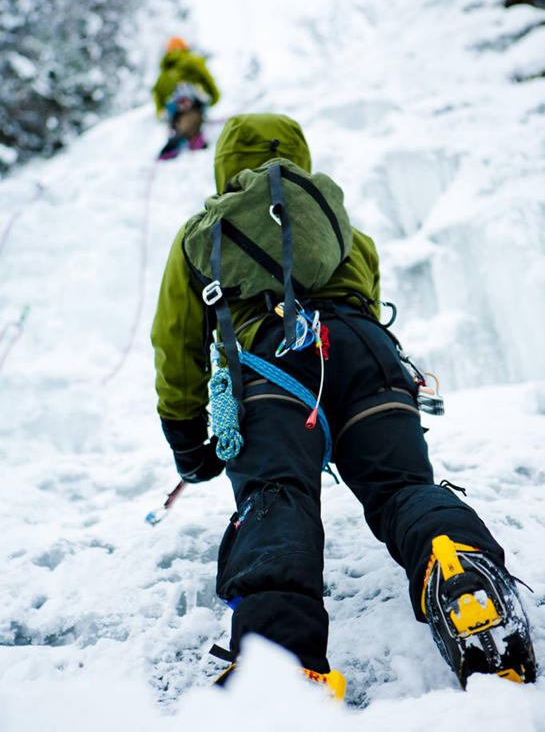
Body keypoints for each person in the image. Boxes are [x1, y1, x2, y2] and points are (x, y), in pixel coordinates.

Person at [150, 113, 536, 694]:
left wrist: (188, 443)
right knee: (401, 488)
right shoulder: (344, 231)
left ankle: (281, 660)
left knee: (277, 492)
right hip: (367, 354)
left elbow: (176, 344)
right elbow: (365, 300)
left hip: (272, 364)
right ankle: (456, 560)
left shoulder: (203, 233)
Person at [152, 37, 220, 159]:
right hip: (195, 105)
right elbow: (207, 80)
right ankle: (191, 136)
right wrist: (214, 97)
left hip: (174, 111)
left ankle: (179, 136)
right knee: (193, 112)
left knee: (180, 120)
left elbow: (158, 94)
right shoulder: (193, 61)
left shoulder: (164, 73)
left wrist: (160, 112)